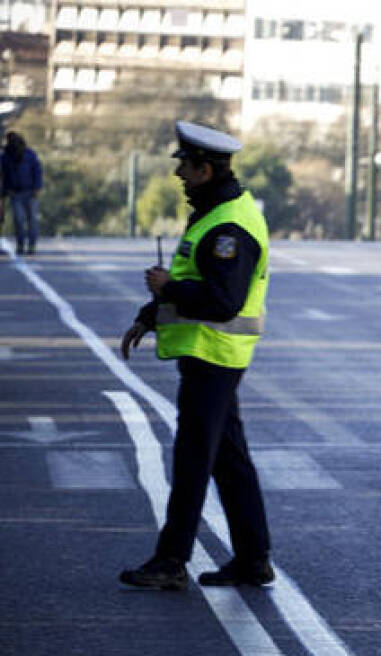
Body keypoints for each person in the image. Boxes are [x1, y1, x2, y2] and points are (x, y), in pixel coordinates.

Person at [118, 121, 274, 591]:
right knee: (229, 460)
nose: (180, 174)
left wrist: (170, 288)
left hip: (215, 354)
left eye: (185, 166)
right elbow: (194, 280)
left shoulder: (229, 227)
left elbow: (223, 300)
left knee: (193, 460)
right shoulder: (214, 212)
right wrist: (150, 313)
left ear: (206, 169)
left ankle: (170, 561)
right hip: (210, 353)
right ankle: (252, 560)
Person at [1, 131, 43, 256]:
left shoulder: (30, 154)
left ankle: (31, 246)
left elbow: (37, 171)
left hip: (30, 192)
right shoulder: (5, 157)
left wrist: (37, 187)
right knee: (18, 220)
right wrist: (5, 192)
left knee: (32, 221)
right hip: (15, 194)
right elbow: (3, 175)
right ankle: (20, 245)